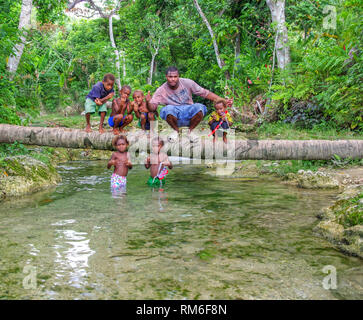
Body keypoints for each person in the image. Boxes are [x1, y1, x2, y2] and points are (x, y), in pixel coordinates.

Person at [147, 66, 233, 142]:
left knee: (200, 107)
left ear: (178, 76)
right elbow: (152, 107)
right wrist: (148, 102)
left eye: (175, 76)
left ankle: (190, 131)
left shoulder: (187, 82)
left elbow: (204, 93)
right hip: (174, 116)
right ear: (166, 77)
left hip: (189, 114)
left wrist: (222, 100)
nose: (173, 79)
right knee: (167, 109)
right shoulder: (161, 90)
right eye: (170, 77)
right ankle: (176, 131)